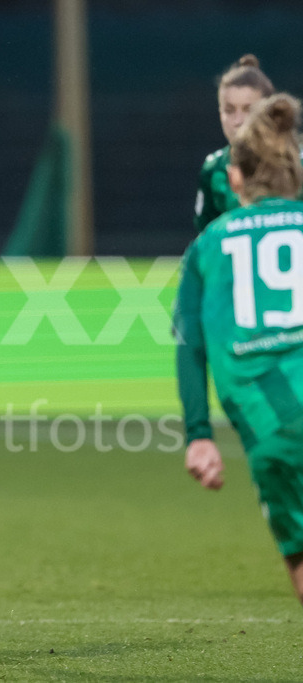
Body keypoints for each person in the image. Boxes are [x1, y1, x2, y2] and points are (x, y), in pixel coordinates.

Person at [175, 93, 303, 605]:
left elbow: (190, 344)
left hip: (275, 430)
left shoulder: (208, 247)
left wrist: (199, 435)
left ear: (234, 180)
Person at [193, 54, 274, 233]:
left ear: (268, 111)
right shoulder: (214, 168)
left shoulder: (296, 163)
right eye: (229, 111)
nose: (237, 121)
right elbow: (206, 239)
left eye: (248, 109)